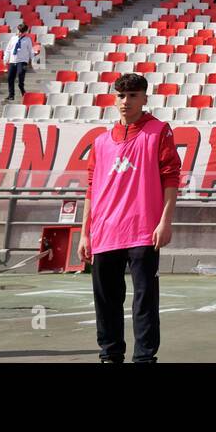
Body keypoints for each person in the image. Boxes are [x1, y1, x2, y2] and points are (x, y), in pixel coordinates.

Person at [77, 73, 180, 363]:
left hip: (143, 230)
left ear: (145, 98)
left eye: (133, 95)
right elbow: (91, 187)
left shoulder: (159, 131)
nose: (126, 102)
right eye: (121, 96)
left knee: (144, 299)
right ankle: (110, 354)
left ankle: (144, 358)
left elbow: (171, 177)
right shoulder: (100, 141)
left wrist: (165, 221)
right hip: (105, 232)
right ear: (114, 99)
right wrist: (85, 233)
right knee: (106, 300)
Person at [4, 22, 34, 101]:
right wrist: (6, 59)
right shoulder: (13, 38)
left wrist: (32, 60)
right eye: (19, 31)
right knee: (10, 78)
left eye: (21, 31)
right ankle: (11, 95)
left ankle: (21, 86)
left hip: (22, 61)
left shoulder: (27, 40)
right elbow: (8, 49)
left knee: (20, 74)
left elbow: (31, 51)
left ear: (25, 32)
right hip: (12, 60)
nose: (19, 33)